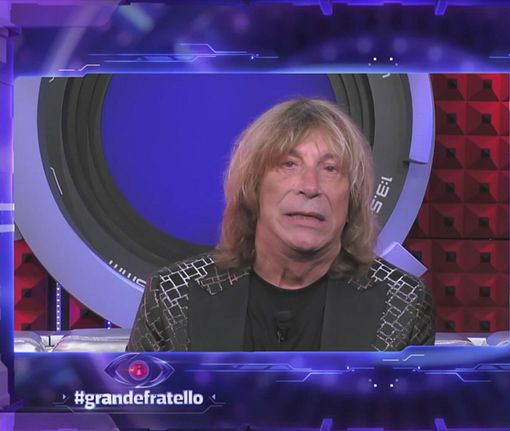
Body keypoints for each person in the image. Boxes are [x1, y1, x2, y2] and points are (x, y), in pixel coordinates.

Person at [126, 98, 435, 352]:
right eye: (289, 164)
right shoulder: (172, 295)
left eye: (330, 168)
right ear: (254, 187)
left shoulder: (402, 303)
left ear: (352, 198)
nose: (310, 186)